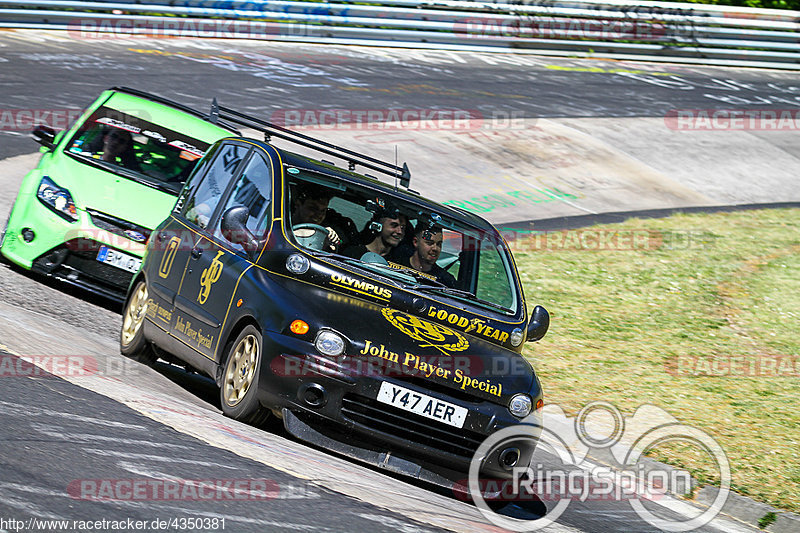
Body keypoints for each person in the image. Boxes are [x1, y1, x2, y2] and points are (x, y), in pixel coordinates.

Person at [291, 184, 358, 252]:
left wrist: (333, 239)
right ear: (298, 204)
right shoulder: (282, 220)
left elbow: (341, 242)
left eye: (323, 210)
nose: (319, 215)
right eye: (313, 208)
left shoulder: (329, 228)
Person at [343, 210, 408, 260]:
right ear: (377, 226)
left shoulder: (399, 264)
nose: (400, 231)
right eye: (394, 225)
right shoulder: (353, 253)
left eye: (403, 228)